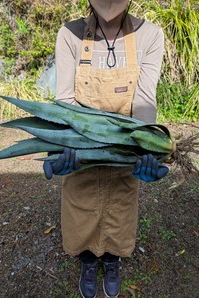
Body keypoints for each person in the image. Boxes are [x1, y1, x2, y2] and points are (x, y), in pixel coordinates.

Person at [43, 1, 168, 297]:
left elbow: (144, 102)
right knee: (81, 207)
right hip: (82, 153)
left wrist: (147, 146)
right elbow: (66, 102)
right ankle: (88, 260)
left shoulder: (150, 35)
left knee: (120, 209)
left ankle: (112, 260)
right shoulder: (70, 34)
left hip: (123, 153)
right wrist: (62, 150)